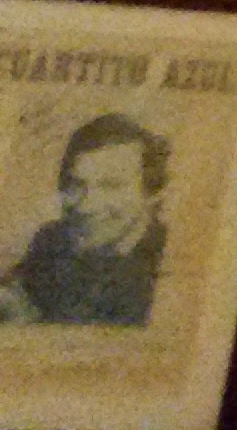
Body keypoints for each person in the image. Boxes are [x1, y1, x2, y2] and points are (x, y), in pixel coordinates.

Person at [0, 113, 168, 327]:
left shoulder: (169, 256)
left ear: (151, 194)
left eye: (110, 186)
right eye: (76, 185)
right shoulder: (52, 239)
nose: (86, 206)